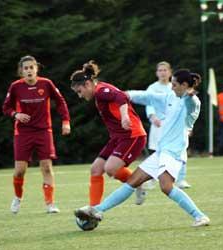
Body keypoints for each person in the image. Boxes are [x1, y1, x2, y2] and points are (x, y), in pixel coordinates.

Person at [75, 69, 210, 227]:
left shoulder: (193, 102)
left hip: (173, 153)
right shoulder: (170, 96)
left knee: (166, 187)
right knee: (133, 181)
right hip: (161, 152)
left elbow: (191, 104)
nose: (171, 87)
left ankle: (200, 216)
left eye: (174, 84)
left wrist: (190, 95)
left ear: (185, 85)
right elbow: (150, 97)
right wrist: (128, 95)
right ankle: (97, 210)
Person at [70, 60, 147, 207]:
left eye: (79, 91)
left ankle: (138, 182)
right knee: (96, 169)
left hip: (132, 135)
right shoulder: (100, 92)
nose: (80, 96)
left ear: (87, 84)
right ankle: (92, 210)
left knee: (111, 168)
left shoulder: (101, 91)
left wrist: (124, 116)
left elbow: (122, 96)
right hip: (118, 138)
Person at [3, 55, 71, 214]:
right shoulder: (15, 87)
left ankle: (50, 204)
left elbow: (60, 101)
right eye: (25, 68)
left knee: (46, 168)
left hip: (43, 131)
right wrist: (15, 114)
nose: (29, 71)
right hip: (23, 133)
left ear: (36, 69)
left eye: (31, 67)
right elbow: (6, 108)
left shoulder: (46, 84)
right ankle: (17, 198)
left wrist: (66, 121)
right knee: (20, 170)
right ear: (21, 71)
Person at [144, 61, 191, 190]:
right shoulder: (153, 88)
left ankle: (181, 179)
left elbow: (185, 106)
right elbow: (149, 102)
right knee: (156, 151)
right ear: (156, 73)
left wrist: (188, 125)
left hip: (175, 126)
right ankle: (152, 179)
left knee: (180, 150)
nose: (162, 73)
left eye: (165, 70)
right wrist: (152, 116)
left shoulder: (175, 86)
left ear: (170, 72)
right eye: (160, 70)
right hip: (158, 124)